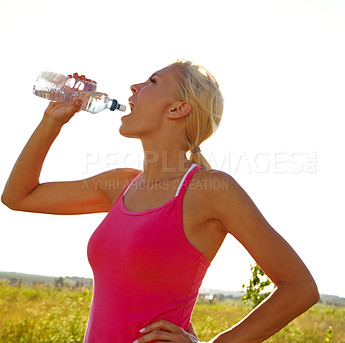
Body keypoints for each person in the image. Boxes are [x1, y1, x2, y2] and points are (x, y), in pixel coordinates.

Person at [2, 60, 319, 343]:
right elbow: (18, 196)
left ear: (177, 109)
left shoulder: (210, 189)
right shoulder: (121, 185)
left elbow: (299, 287)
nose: (134, 87)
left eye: (152, 82)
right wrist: (52, 120)